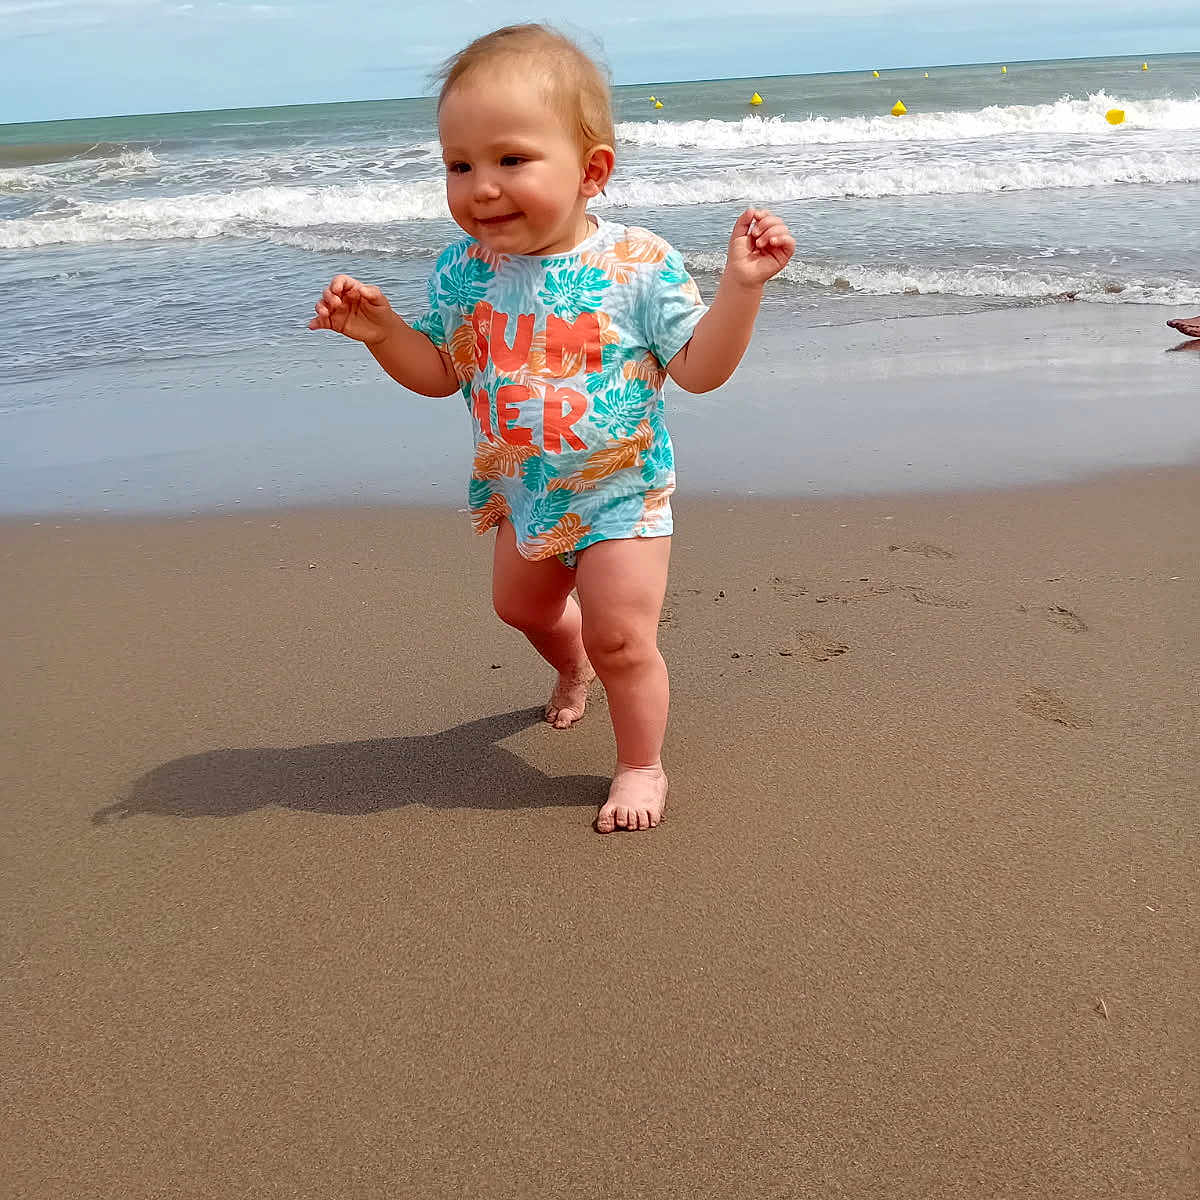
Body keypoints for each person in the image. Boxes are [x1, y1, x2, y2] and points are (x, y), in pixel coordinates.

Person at [308, 24, 794, 833]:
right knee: (522, 610)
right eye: (459, 166)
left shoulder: (638, 264)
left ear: (591, 171)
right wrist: (383, 333)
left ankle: (640, 765)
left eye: (511, 160)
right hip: (524, 490)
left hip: (621, 493)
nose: (482, 188)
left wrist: (740, 290)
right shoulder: (462, 271)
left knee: (623, 640)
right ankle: (572, 669)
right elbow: (441, 374)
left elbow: (700, 369)